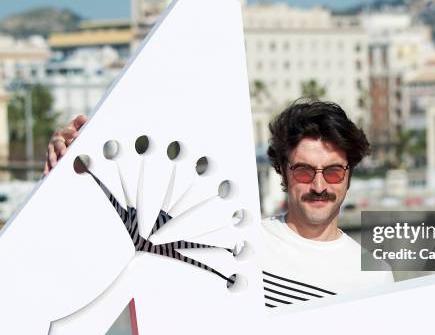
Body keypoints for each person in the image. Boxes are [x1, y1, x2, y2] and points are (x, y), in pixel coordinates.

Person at [46, 99, 393, 308]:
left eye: (332, 172)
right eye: (303, 171)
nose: (319, 186)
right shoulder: (233, 241)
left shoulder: (374, 275)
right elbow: (121, 228)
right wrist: (73, 164)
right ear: (283, 174)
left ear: (349, 176)